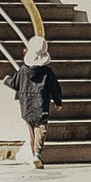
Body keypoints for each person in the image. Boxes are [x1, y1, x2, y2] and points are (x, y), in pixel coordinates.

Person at [14, 35, 62, 165]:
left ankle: (33, 156)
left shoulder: (23, 70)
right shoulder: (47, 72)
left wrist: (6, 80)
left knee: (31, 130)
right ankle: (37, 154)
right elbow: (54, 88)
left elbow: (15, 83)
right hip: (41, 105)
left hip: (26, 105)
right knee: (41, 129)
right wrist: (58, 102)